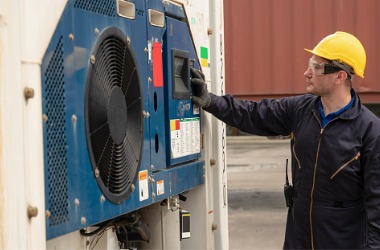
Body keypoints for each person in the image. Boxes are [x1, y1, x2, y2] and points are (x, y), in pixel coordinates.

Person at [190, 31, 380, 249]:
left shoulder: (370, 131)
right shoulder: (300, 109)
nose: (307, 73)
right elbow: (253, 113)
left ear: (340, 76)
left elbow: (377, 206)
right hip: (298, 241)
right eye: (310, 64)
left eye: (317, 67)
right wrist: (210, 101)